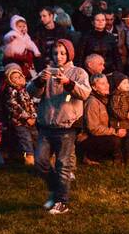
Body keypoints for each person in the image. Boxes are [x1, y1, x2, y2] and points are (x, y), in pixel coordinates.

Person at [28, 38, 91, 215]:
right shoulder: (46, 71)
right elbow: (31, 91)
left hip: (67, 124)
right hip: (46, 124)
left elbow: (85, 93)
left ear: (69, 53)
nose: (59, 56)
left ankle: (62, 202)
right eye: (56, 53)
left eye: (63, 53)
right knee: (40, 162)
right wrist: (40, 81)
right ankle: (56, 192)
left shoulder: (78, 72)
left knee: (63, 164)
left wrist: (68, 83)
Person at [83, 74, 124, 164]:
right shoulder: (92, 102)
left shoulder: (106, 99)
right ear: (94, 87)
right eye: (102, 83)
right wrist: (115, 131)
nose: (107, 86)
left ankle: (114, 157)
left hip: (103, 132)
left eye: (107, 82)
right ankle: (91, 157)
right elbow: (93, 128)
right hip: (90, 137)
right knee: (114, 140)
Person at [4, 63, 37, 166]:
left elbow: (31, 104)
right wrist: (26, 118)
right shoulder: (12, 91)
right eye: (15, 78)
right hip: (19, 122)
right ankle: (29, 157)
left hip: (31, 120)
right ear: (10, 80)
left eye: (19, 77)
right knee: (25, 138)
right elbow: (15, 106)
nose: (18, 79)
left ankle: (39, 155)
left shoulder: (26, 90)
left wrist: (33, 116)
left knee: (35, 136)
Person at [109, 77, 129, 164]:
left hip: (128, 123)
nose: (127, 85)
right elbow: (115, 110)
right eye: (124, 83)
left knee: (128, 141)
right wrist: (126, 115)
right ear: (118, 86)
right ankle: (117, 157)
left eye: (128, 83)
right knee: (117, 142)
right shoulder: (115, 97)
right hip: (118, 124)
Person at [33, 7, 70, 71]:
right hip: (43, 66)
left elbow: (68, 48)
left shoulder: (62, 30)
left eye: (44, 16)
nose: (42, 19)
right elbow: (37, 51)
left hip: (60, 64)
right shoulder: (37, 32)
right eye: (40, 16)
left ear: (51, 16)